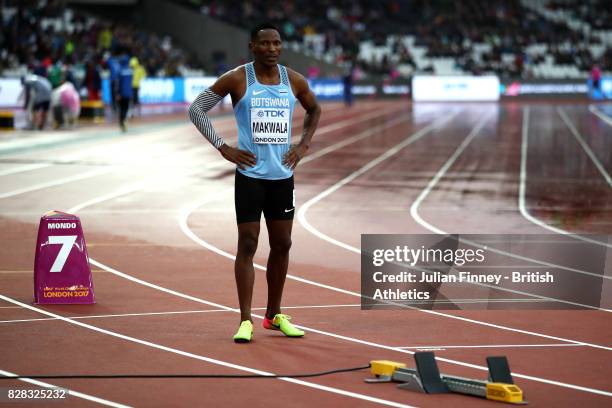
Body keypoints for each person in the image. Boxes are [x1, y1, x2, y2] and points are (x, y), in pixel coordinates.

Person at [188, 23, 321, 343]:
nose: (272, 49)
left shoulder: (294, 80)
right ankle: (245, 319)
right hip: (249, 176)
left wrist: (303, 145)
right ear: (253, 47)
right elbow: (197, 109)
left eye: (277, 43)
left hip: (282, 176)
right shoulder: (237, 78)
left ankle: (273, 315)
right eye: (265, 44)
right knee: (248, 244)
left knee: (283, 244)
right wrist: (223, 147)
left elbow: (314, 109)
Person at [116, 55, 133, 132]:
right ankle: (124, 121)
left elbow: (119, 83)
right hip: (128, 93)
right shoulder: (130, 71)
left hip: (122, 93)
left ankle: (121, 122)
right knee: (126, 108)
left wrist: (118, 93)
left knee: (121, 108)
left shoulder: (120, 71)